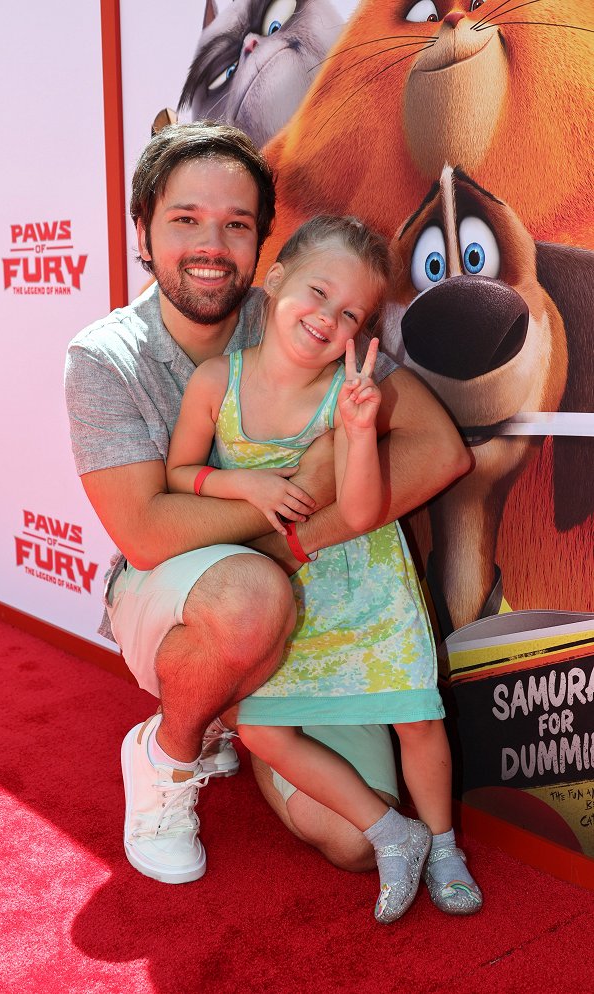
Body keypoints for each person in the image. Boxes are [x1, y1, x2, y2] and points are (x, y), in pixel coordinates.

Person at [64, 121, 470, 895]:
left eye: (236, 224)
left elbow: (436, 445)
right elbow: (147, 533)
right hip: (175, 593)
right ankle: (172, 751)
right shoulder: (104, 356)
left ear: (263, 249)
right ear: (142, 227)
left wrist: (305, 530)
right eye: (185, 219)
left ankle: (236, 712)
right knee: (252, 597)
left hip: (313, 594)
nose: (211, 243)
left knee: (358, 841)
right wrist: (306, 483)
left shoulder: (294, 311)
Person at [165, 215, 483, 921]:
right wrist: (241, 484)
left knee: (417, 722)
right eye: (317, 292)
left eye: (351, 314)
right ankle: (389, 832)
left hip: (367, 589)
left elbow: (365, 510)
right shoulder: (217, 381)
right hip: (282, 604)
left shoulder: (348, 395)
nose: (326, 319)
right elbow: (181, 473)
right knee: (261, 729)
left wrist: (360, 431)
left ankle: (443, 845)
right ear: (274, 278)